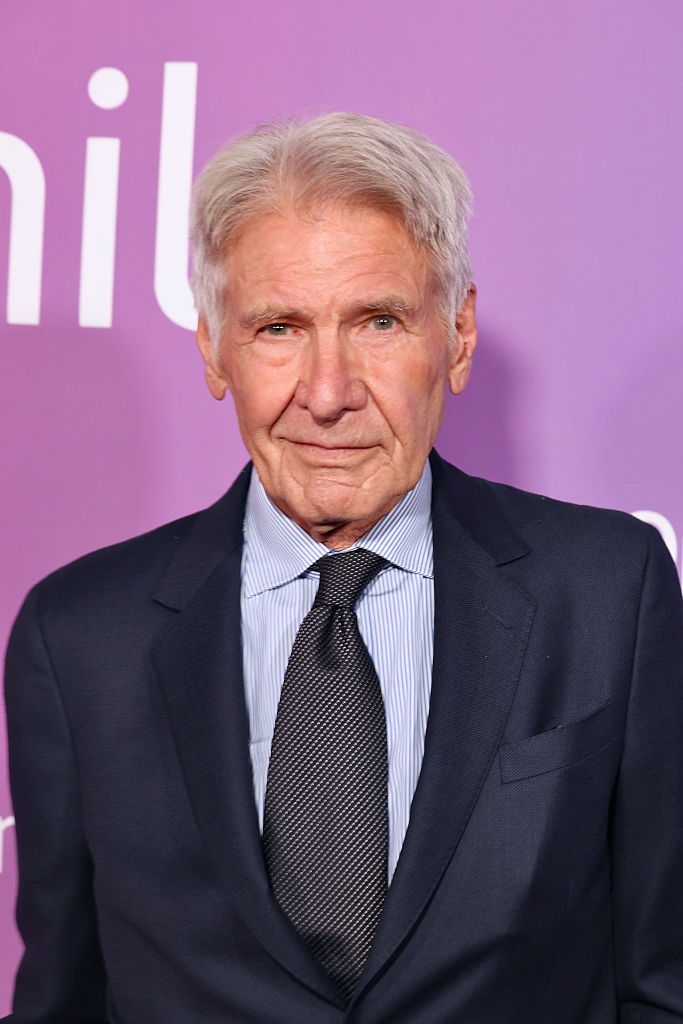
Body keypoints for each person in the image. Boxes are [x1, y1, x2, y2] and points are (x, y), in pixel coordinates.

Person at [4, 112, 683, 1024]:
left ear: (457, 333)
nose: (327, 394)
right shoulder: (79, 636)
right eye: (278, 327)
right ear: (213, 348)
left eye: (378, 321)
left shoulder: (609, 590)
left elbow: (662, 983)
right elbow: (62, 999)